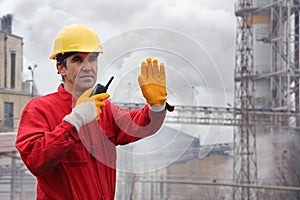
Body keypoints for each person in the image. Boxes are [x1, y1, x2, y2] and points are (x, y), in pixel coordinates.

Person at [15, 24, 169, 200]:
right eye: (78, 60)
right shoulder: (40, 109)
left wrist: (156, 107)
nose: (88, 67)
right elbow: (35, 160)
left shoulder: (105, 109)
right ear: (60, 68)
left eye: (93, 59)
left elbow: (139, 124)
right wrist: (76, 120)